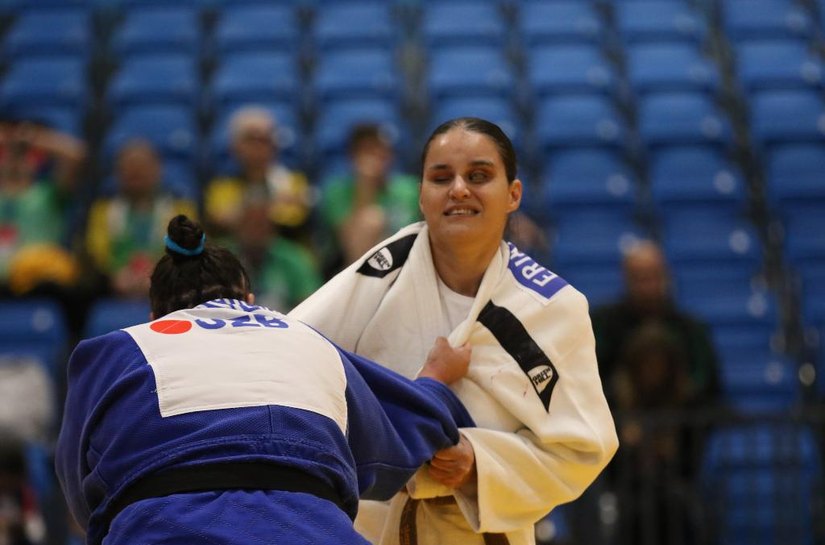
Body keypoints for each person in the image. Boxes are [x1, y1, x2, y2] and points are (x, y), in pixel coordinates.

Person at [289, 117, 619, 545]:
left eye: (479, 176)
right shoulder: (382, 273)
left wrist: (478, 462)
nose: (459, 189)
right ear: (422, 196)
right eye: (441, 177)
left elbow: (583, 449)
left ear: (513, 195)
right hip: (369, 527)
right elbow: (293, 352)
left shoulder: (553, 308)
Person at [55, 214, 475, 545]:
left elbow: (80, 498)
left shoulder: (115, 350)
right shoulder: (306, 340)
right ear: (250, 303)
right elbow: (400, 442)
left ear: (154, 317)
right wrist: (435, 378)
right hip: (310, 529)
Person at [590, 240, 721, 407]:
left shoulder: (690, 328)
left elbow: (707, 383)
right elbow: (591, 380)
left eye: (653, 277)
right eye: (640, 278)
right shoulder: (604, 324)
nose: (647, 288)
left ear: (666, 277)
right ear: (626, 279)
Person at [85, 139, 197, 299]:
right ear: (117, 172)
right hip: (115, 284)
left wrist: (157, 273)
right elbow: (97, 251)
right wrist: (117, 273)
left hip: (169, 283)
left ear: (158, 169)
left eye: (142, 166)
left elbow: (187, 250)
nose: (135, 171)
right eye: (129, 166)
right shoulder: (102, 210)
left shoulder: (181, 209)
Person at [318, 123, 420, 277]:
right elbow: (349, 245)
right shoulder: (337, 192)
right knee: (371, 219)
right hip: (356, 271)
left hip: (407, 265)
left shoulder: (410, 188)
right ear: (353, 156)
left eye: (383, 149)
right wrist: (365, 187)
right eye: (369, 150)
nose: (378, 156)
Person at [203, 106, 315, 247]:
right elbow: (219, 220)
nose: (258, 147)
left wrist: (242, 211)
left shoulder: (293, 181)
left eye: (265, 139)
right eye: (251, 139)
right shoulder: (222, 186)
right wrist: (274, 204)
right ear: (235, 146)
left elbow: (293, 220)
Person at [228, 197, 322, 311]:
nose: (256, 231)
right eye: (250, 224)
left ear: (272, 227)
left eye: (261, 224)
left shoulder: (293, 258)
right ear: (238, 227)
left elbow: (312, 304)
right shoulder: (225, 261)